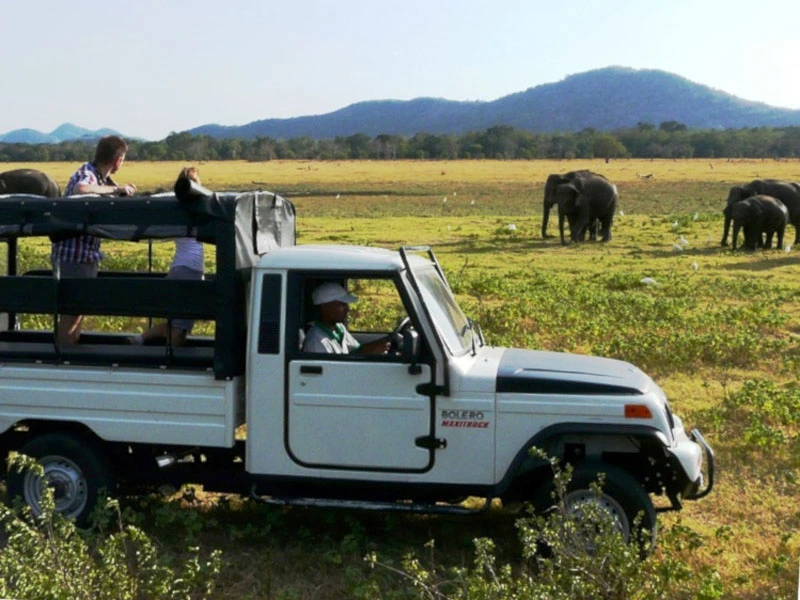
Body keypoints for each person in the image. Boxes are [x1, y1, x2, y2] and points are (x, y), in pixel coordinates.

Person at [52, 135, 136, 345]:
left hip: (84, 255)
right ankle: (64, 356)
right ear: (118, 160)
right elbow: (81, 189)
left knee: (78, 310)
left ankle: (69, 351)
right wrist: (116, 190)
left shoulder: (99, 178)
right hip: (74, 254)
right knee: (73, 311)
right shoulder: (87, 174)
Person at [130, 167, 204, 347]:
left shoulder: (177, 206)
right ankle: (171, 356)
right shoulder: (198, 205)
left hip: (180, 268)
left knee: (177, 324)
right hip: (189, 271)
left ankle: (140, 339)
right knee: (180, 328)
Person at [302, 282, 390, 355]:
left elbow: (354, 350)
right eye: (342, 304)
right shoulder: (316, 342)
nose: (347, 309)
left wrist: (378, 346)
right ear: (325, 308)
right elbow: (332, 372)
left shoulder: (339, 328)